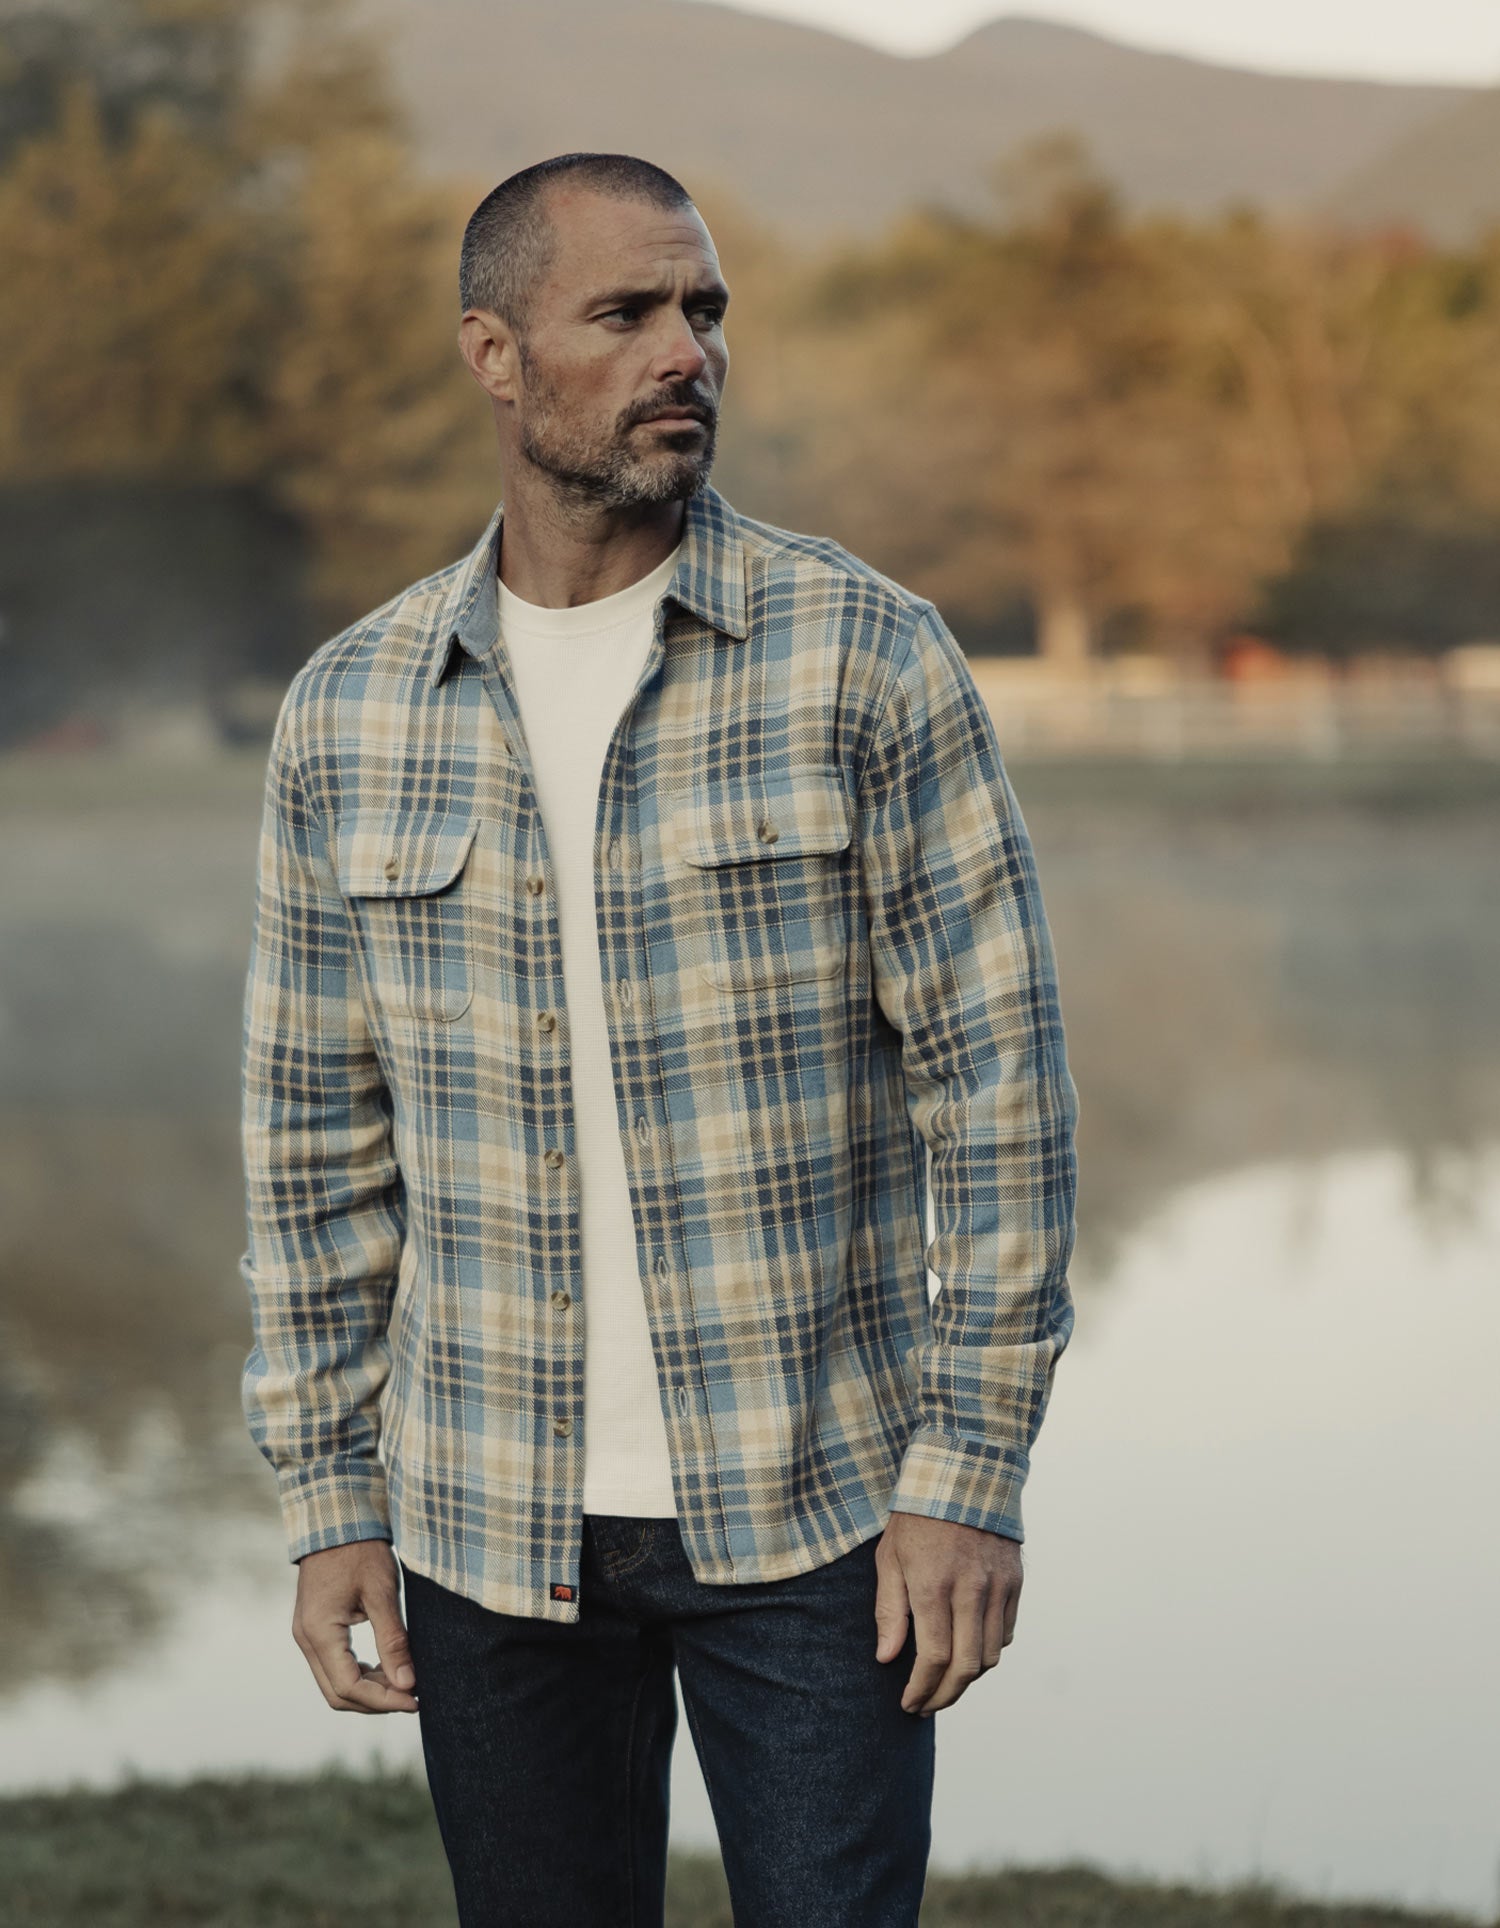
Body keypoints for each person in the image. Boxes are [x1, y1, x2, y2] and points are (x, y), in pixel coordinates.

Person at [238, 150, 1079, 1928]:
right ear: (494, 354)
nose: (684, 351)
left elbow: (1002, 1101)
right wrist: (331, 1500)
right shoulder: (352, 710)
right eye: (623, 313)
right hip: (483, 1529)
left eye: (703, 310)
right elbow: (313, 1152)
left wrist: (971, 1478)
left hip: (820, 1520)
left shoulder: (864, 656)